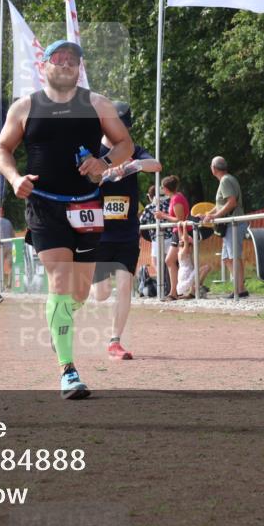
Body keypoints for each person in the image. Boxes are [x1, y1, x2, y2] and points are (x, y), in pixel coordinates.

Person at [0, 39, 133, 399]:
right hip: (44, 205)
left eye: (73, 60)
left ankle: (60, 322)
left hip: (87, 204)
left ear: (79, 68)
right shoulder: (25, 107)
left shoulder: (96, 104)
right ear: (45, 65)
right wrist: (14, 179)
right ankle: (68, 371)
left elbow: (124, 145)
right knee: (59, 278)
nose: (67, 64)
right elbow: (2, 148)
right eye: (59, 58)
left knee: (80, 291)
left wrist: (104, 163)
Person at [90, 101, 162, 359]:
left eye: (124, 127)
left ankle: (115, 342)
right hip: (99, 232)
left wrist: (133, 166)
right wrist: (106, 172)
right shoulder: (94, 151)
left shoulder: (133, 150)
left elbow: (156, 165)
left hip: (127, 233)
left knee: (124, 285)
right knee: (101, 294)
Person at [201, 156, 248, 299]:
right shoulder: (227, 179)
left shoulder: (225, 180)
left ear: (213, 168)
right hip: (230, 224)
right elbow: (222, 203)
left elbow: (231, 202)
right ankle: (239, 288)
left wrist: (215, 216)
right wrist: (210, 213)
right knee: (228, 258)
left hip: (233, 224)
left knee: (233, 257)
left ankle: (239, 289)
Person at [154, 175, 188, 301]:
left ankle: (174, 292)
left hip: (180, 232)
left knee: (170, 261)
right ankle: (176, 291)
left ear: (166, 188)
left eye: (162, 187)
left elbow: (180, 219)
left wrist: (163, 215)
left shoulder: (176, 199)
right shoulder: (175, 197)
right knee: (173, 261)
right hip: (178, 232)